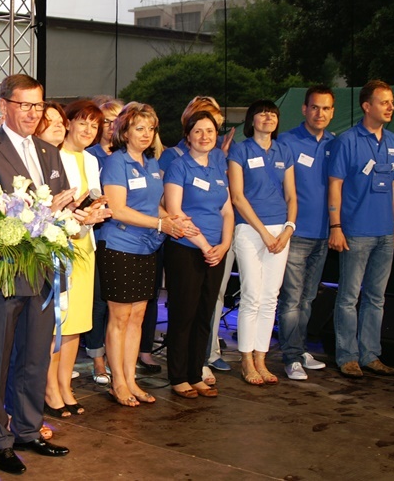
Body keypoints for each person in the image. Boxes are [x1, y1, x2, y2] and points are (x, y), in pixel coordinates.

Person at [0, 74, 76, 475]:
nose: (34, 113)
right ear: (5, 106)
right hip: (7, 272)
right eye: (25, 105)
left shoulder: (49, 152)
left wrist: (78, 214)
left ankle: (28, 430)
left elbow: (59, 206)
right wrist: (43, 214)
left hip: (43, 273)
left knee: (35, 357)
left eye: (38, 105)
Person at [98, 102, 191, 407]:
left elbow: (154, 207)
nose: (146, 134)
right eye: (139, 128)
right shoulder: (116, 162)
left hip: (147, 247)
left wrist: (173, 219)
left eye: (150, 128)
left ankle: (131, 380)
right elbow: (118, 209)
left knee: (137, 317)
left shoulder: (151, 162)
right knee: (120, 317)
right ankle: (118, 382)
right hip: (120, 246)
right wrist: (161, 224)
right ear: (124, 131)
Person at [328, 80, 394, 378]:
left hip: (385, 232)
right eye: (384, 102)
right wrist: (336, 225)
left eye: (391, 102)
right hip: (356, 232)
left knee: (376, 297)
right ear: (366, 106)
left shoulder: (393, 141)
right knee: (349, 297)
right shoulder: (347, 141)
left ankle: (370, 354)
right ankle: (347, 356)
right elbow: (335, 184)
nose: (390, 107)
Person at [159, 96, 230, 384]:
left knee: (205, 315)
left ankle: (196, 373)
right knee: (183, 315)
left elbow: (227, 210)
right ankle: (179, 378)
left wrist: (224, 246)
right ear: (187, 136)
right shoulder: (179, 166)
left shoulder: (218, 163)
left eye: (210, 131)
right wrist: (205, 246)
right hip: (187, 250)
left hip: (216, 252)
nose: (204, 136)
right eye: (198, 131)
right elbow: (175, 212)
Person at [228, 100, 296, 386]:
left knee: (270, 297)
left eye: (273, 114)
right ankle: (246, 359)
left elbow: (291, 195)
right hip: (249, 229)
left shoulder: (284, 151)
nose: (268, 117)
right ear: (251, 120)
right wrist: (264, 233)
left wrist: (288, 229)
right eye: (262, 113)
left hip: (280, 230)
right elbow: (237, 196)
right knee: (252, 295)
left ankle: (261, 358)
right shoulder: (240, 150)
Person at [44, 100, 105, 417]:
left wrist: (95, 213)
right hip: (59, 246)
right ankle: (49, 388)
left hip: (84, 245)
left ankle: (65, 384)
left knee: (76, 323)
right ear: (68, 123)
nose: (88, 130)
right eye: (83, 122)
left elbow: (91, 201)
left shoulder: (91, 160)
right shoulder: (53, 156)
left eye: (94, 125)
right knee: (58, 322)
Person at [276, 86, 336, 380]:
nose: (319, 113)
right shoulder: (287, 142)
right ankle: (290, 357)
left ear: (332, 112)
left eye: (325, 108)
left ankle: (299, 350)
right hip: (295, 233)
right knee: (291, 298)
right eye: (314, 107)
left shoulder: (335, 143)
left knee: (308, 298)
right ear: (304, 109)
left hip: (323, 234)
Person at [84, 99, 122, 385]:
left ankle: (118, 358)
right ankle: (97, 358)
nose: (110, 127)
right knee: (98, 302)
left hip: (125, 237)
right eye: (105, 121)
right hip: (96, 236)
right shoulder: (89, 155)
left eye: (116, 121)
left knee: (118, 304)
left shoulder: (127, 156)